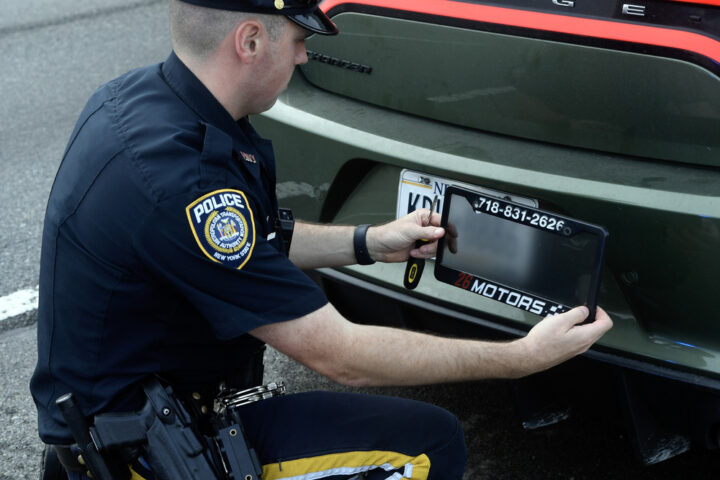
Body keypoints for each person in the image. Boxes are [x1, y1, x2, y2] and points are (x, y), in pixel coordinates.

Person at [30, 1, 613, 479]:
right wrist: (521, 359)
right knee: (429, 445)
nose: (306, 54)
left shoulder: (141, 101)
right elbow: (342, 357)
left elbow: (253, 243)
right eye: (298, 38)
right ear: (251, 40)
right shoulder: (185, 183)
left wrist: (371, 242)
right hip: (139, 455)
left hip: (130, 421)